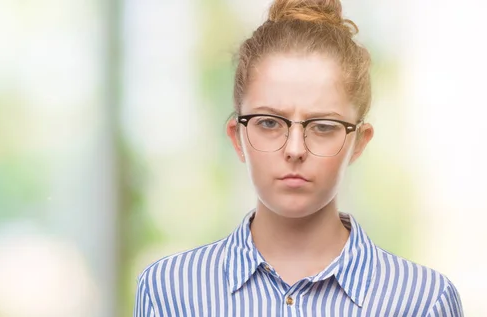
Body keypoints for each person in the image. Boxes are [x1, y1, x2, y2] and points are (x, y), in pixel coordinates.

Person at [133, 0, 464, 315]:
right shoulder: (169, 291)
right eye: (269, 123)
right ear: (238, 137)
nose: (294, 149)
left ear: (358, 142)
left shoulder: (424, 301)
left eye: (322, 126)